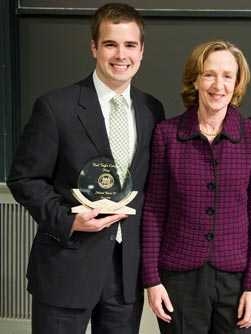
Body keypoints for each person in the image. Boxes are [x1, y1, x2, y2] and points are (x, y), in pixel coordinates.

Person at [7, 3, 165, 334]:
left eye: (130, 45)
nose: (121, 55)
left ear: (142, 51)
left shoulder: (152, 110)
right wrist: (69, 219)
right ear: (94, 47)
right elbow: (24, 178)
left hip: (125, 276)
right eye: (110, 44)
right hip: (66, 266)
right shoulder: (56, 107)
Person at [141, 40, 251, 333]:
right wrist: (151, 279)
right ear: (196, 79)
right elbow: (153, 211)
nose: (218, 84)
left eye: (228, 76)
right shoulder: (167, 135)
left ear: (238, 83)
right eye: (209, 74)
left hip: (236, 281)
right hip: (179, 279)